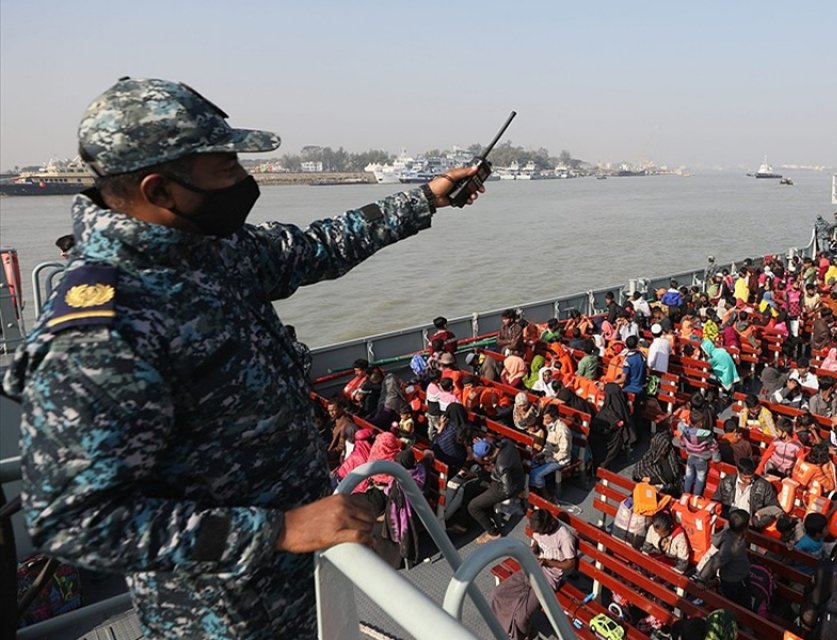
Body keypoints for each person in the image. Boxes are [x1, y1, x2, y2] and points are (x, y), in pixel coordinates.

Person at [2, 77, 489, 637]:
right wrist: (277, 530)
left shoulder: (209, 248)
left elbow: (318, 246)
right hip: (220, 610)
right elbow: (74, 518)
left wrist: (428, 196)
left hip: (296, 577)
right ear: (160, 190)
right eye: (226, 168)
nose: (244, 179)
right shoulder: (106, 326)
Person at [489, 509, 577, 639]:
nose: (538, 534)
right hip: (531, 568)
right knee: (497, 594)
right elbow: (537, 541)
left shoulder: (564, 536)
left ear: (548, 526)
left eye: (540, 532)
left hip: (548, 578)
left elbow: (570, 563)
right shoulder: (538, 527)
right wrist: (534, 548)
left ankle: (521, 636)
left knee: (521, 617)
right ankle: (505, 631)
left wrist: (549, 563)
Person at [467, 434, 527, 544]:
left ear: (486, 458)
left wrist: (494, 473)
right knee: (471, 487)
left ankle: (493, 533)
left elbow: (507, 489)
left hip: (505, 487)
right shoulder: (507, 444)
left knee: (473, 506)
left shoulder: (501, 466)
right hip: (514, 474)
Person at [695, 509, 753, 608]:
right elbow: (715, 562)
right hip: (735, 581)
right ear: (744, 529)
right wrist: (701, 579)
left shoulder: (729, 532)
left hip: (734, 576)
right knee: (740, 606)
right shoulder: (732, 547)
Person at [712, 458, 780, 527]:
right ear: (738, 471)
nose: (749, 481)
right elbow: (715, 500)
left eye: (751, 477)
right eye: (745, 478)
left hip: (749, 525)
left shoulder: (764, 486)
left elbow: (773, 508)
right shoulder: (726, 482)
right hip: (728, 521)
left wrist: (754, 522)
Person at [530, 406, 572, 493]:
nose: (544, 423)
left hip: (560, 460)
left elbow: (563, 453)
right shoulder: (550, 426)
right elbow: (549, 445)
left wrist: (546, 460)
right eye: (544, 419)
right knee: (530, 463)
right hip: (550, 455)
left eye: (547, 419)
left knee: (536, 474)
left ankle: (546, 496)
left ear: (555, 418)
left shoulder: (563, 431)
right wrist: (541, 455)